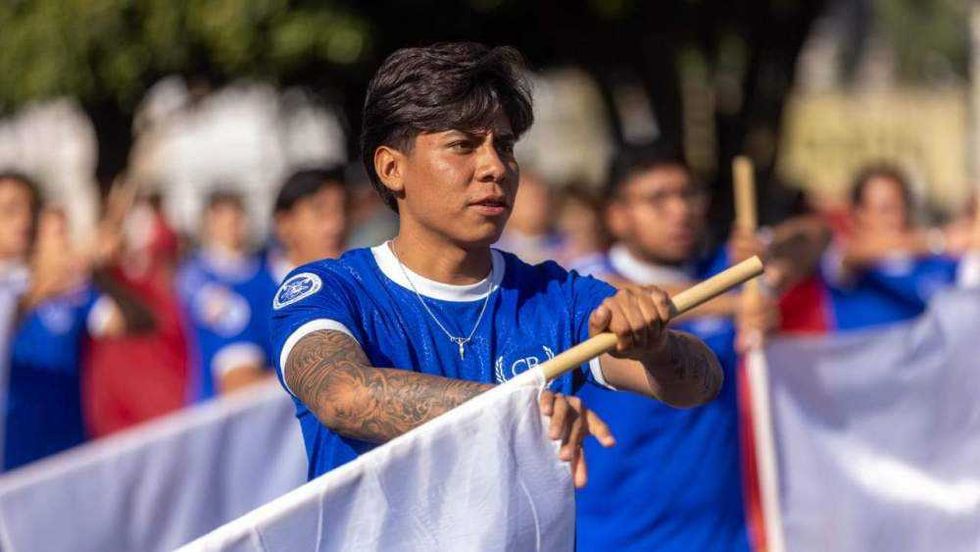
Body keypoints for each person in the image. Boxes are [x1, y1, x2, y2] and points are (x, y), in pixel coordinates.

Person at [270, 43, 724, 485]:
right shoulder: (329, 290)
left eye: (504, 145)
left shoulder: (556, 296)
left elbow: (700, 384)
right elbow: (342, 396)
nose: (495, 167)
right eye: (462, 145)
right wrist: (523, 410)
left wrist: (657, 348)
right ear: (392, 169)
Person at [574, 142, 754, 551]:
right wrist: (738, 303)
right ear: (617, 215)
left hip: (724, 537)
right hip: (615, 537)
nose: (680, 211)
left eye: (688, 194)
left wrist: (766, 252)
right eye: (658, 199)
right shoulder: (583, 284)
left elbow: (812, 238)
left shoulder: (723, 270)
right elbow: (623, 298)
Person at [818, 165, 960, 330]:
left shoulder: (937, 263)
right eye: (884, 209)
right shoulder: (843, 258)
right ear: (859, 213)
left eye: (898, 207)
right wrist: (939, 240)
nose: (893, 217)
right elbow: (855, 254)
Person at [178, 191, 275, 401]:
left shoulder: (265, 269)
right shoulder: (198, 279)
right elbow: (235, 376)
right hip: (220, 402)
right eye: (223, 222)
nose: (232, 228)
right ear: (209, 225)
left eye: (236, 220)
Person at [269, 166, 352, 283]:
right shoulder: (251, 292)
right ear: (284, 223)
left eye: (344, 209)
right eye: (320, 212)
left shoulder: (364, 284)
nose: (337, 225)